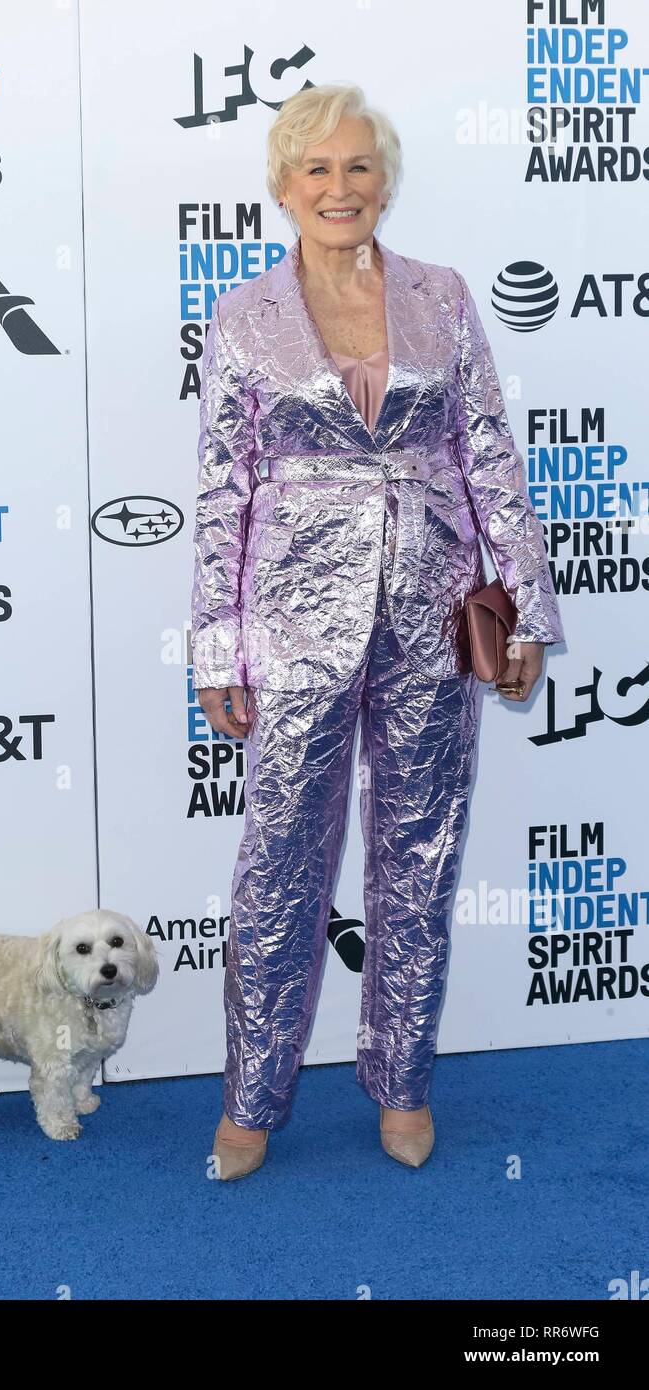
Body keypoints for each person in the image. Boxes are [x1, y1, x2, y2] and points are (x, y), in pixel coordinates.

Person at [190, 84, 565, 1180]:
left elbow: (488, 452)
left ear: (383, 181)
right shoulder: (242, 315)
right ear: (280, 185)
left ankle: (401, 1083)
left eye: (357, 168)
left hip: (431, 609)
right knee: (277, 866)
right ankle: (252, 1096)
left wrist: (526, 606)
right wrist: (217, 644)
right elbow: (221, 492)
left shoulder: (442, 297)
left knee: (418, 849)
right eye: (316, 169)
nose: (338, 188)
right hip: (295, 620)